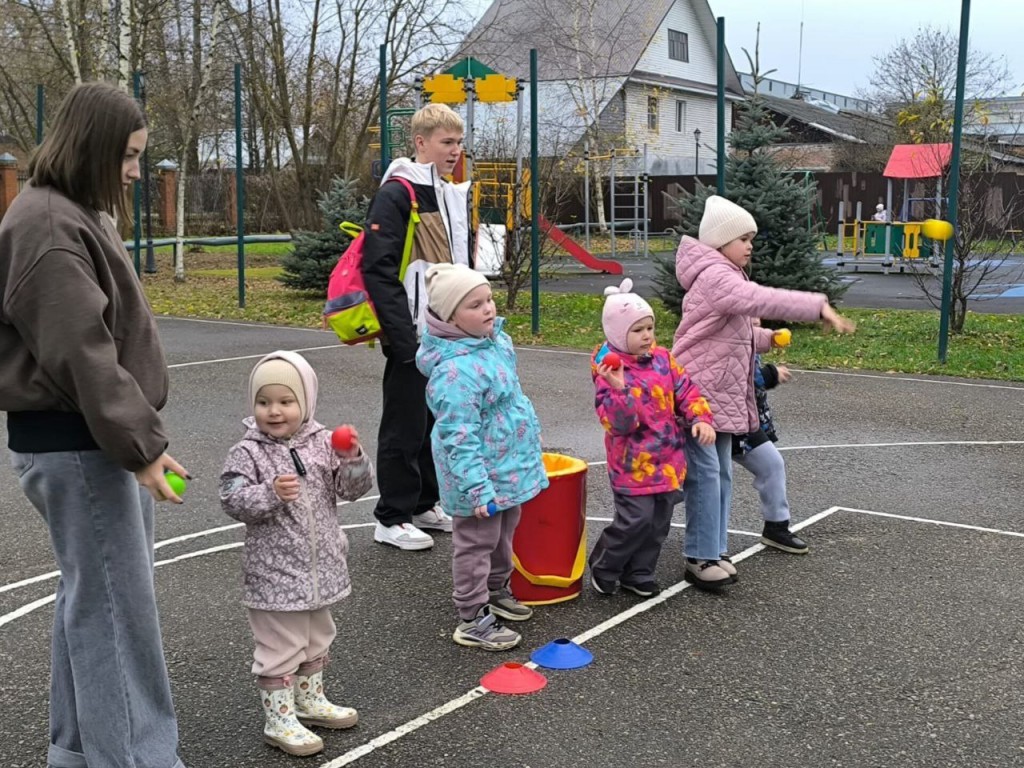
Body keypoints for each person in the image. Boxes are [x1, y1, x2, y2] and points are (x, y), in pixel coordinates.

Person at [0, 81, 189, 768]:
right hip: (82, 445)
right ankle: (135, 759)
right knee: (117, 614)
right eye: (131, 157)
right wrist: (139, 446)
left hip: (90, 441)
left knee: (92, 602)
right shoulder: (49, 227)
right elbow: (82, 352)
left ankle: (79, 752)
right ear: (96, 149)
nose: (137, 172)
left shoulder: (67, 212)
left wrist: (140, 441)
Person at [672, 195, 855, 589]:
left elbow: (731, 334)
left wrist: (767, 338)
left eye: (751, 237)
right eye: (743, 237)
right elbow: (760, 298)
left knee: (719, 475)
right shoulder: (716, 276)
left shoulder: (724, 275)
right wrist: (816, 306)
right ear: (721, 242)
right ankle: (700, 557)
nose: (750, 245)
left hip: (718, 395)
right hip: (701, 395)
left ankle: (713, 549)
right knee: (706, 477)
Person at [220, 351, 374, 756]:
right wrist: (269, 493)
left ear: (305, 402)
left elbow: (352, 491)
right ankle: (279, 719)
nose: (274, 411)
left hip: (319, 567)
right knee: (279, 647)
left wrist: (352, 457)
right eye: (264, 401)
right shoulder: (247, 451)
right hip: (274, 571)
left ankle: (309, 700)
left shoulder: (323, 443)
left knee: (317, 636)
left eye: (285, 401)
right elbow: (231, 499)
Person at [416, 263, 548, 651]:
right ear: (451, 318)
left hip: (506, 468)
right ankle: (472, 615)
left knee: (506, 530)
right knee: (476, 542)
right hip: (477, 479)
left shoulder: (495, 343)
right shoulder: (454, 373)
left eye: (488, 299)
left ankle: (496, 588)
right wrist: (477, 488)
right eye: (475, 304)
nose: (489, 308)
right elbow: (459, 437)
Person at [362, 103, 473, 551]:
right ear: (421, 142)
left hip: (444, 332)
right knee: (403, 423)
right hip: (412, 331)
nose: (455, 150)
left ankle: (425, 504)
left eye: (459, 142)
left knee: (433, 420)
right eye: (447, 142)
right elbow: (378, 268)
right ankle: (390, 516)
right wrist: (403, 339)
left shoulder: (445, 191)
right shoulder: (398, 193)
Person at [588, 279, 715, 598]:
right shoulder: (609, 371)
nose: (647, 335)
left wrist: (700, 417)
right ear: (618, 334)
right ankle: (606, 565)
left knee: (658, 525)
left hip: (668, 462)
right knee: (635, 521)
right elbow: (619, 424)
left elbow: (686, 390)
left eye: (649, 327)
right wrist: (619, 389)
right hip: (633, 467)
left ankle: (639, 573)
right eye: (637, 330)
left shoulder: (663, 360)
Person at [732, 354, 809, 554]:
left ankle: (776, 526)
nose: (756, 321)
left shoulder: (748, 335)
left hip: (745, 424)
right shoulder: (720, 333)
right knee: (694, 481)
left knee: (772, 465)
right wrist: (770, 374)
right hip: (712, 422)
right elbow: (732, 377)